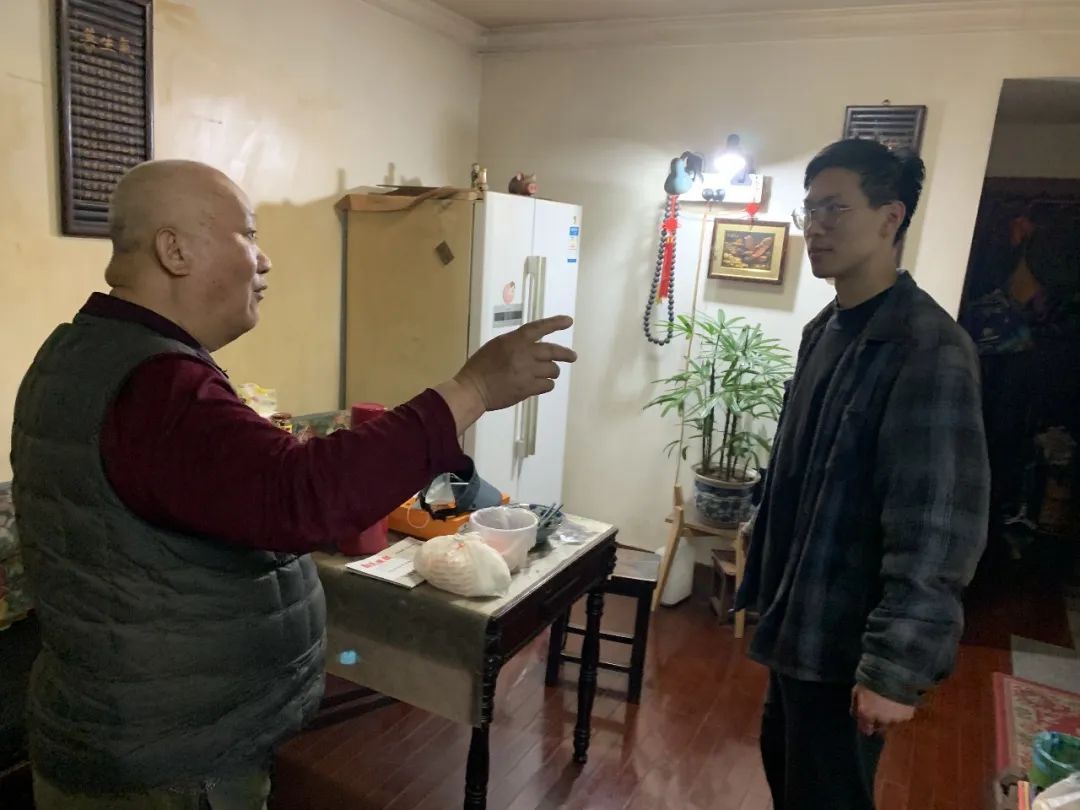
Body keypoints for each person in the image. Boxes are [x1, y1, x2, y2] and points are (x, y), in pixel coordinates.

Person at [10, 160, 577, 810]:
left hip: (124, 730)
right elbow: (301, 495)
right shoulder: (159, 387)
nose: (264, 260)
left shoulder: (77, 353)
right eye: (248, 234)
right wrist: (472, 388)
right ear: (175, 250)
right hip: (170, 767)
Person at [735, 139, 990, 810]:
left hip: (847, 640)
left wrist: (895, 665)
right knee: (787, 774)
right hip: (799, 621)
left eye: (835, 209)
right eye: (809, 210)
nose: (815, 228)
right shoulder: (826, 328)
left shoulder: (928, 347)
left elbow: (938, 523)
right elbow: (803, 468)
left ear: (890, 217)